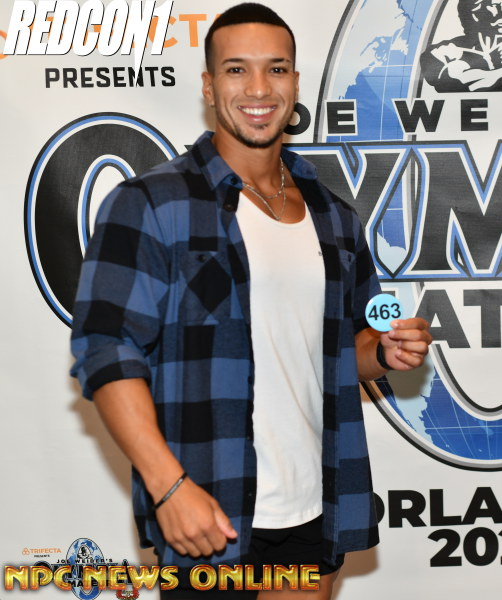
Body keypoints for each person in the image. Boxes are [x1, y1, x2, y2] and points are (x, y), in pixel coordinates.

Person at [69, 3, 432, 598]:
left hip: (315, 504)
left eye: (276, 69)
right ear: (209, 86)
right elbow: (107, 351)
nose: (259, 88)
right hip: (210, 503)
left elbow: (346, 351)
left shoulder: (334, 215)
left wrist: (387, 350)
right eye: (237, 69)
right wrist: (168, 487)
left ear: (295, 83)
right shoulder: (152, 203)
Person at [420, 0, 502, 92]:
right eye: (495, 7)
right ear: (474, 13)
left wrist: (491, 77)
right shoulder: (440, 52)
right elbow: (462, 84)